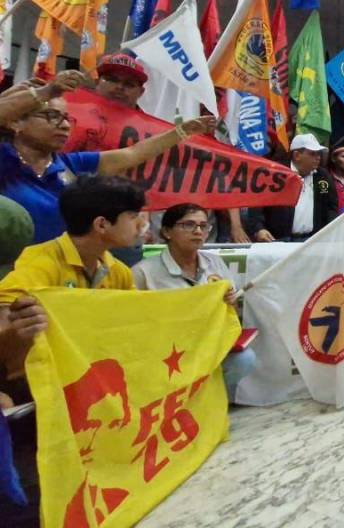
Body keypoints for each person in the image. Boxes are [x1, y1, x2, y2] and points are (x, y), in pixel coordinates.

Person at [0, 76, 217, 243]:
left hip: (55, 275)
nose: (65, 126)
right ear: (15, 123)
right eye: (52, 116)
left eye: (66, 118)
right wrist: (46, 91)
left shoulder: (71, 165)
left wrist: (181, 132)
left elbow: (134, 154)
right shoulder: (4, 161)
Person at [0, 176, 146, 383]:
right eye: (133, 216)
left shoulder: (118, 271)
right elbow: (6, 322)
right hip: (32, 382)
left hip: (89, 375)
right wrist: (18, 328)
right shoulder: (38, 264)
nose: (142, 224)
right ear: (102, 224)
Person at [131, 203, 256, 401]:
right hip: (165, 353)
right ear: (167, 231)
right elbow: (133, 325)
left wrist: (229, 301)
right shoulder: (142, 272)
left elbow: (230, 313)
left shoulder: (214, 263)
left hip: (208, 344)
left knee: (244, 360)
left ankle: (205, 402)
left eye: (203, 226)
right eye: (188, 225)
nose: (198, 231)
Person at [247, 134, 338, 242]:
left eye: (319, 153)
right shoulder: (276, 173)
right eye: (312, 153)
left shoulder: (322, 177)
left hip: (313, 240)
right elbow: (257, 203)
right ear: (297, 155)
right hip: (278, 240)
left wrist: (328, 230)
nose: (318, 157)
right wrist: (259, 228)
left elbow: (331, 206)